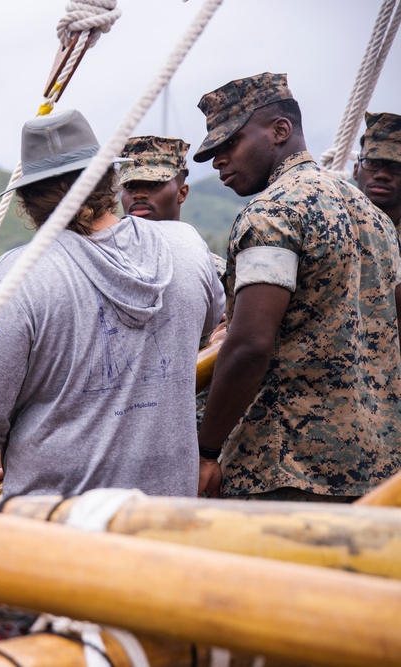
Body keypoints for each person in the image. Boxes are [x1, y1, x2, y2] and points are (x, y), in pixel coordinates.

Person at [0, 108, 225, 498]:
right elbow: (211, 326)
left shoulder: (17, 276)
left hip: (59, 523)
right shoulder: (187, 246)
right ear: (111, 178)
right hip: (168, 516)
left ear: (27, 198)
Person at [194, 72, 401, 502]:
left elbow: (250, 344)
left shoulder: (272, 214)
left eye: (229, 144)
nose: (218, 162)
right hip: (377, 474)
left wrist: (206, 451)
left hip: (287, 470)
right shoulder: (375, 217)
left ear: (280, 130)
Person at [120, 134, 227, 278]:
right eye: (129, 185)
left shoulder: (212, 271)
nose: (138, 195)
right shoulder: (109, 263)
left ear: (182, 193)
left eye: (154, 184)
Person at [353, 111, 401, 228]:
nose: (382, 175)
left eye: (397, 166)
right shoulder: (328, 225)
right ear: (356, 170)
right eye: (372, 163)